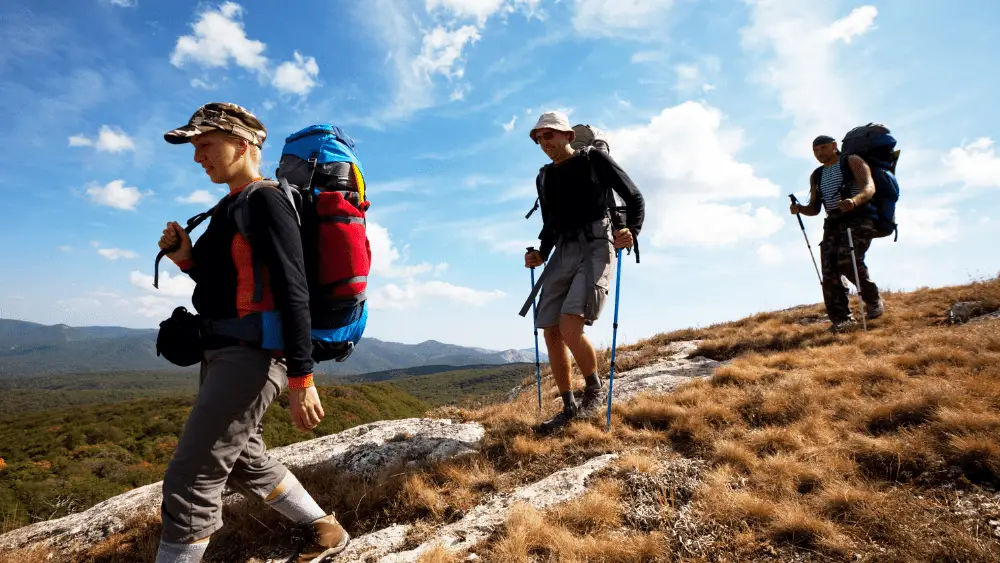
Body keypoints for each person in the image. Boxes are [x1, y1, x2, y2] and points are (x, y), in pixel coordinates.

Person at [154, 102, 349, 563]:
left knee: (192, 475)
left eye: (206, 145)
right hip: (226, 349)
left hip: (255, 355)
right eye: (195, 148)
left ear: (243, 144)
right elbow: (231, 288)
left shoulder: (265, 200)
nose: (198, 156)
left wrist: (302, 376)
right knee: (244, 460)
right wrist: (187, 259)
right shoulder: (230, 206)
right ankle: (326, 529)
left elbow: (292, 289)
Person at [523, 111, 645, 434]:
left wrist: (631, 230)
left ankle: (595, 389)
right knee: (550, 328)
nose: (544, 142)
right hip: (563, 249)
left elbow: (634, 196)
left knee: (569, 325)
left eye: (549, 135)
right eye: (539, 138)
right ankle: (568, 407)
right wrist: (539, 252)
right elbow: (550, 224)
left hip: (596, 245)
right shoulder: (545, 177)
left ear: (567, 135)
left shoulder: (594, 160)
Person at [790, 134, 886, 333]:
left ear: (834, 146)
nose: (819, 153)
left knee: (847, 260)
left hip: (858, 217)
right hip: (833, 223)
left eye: (823, 148)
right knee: (829, 270)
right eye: (815, 150)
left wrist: (854, 201)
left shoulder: (852, 161)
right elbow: (815, 208)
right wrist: (800, 209)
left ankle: (873, 299)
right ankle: (841, 320)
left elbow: (869, 187)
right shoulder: (816, 175)